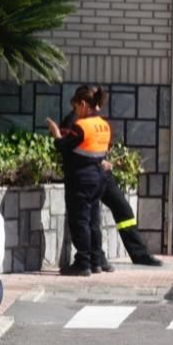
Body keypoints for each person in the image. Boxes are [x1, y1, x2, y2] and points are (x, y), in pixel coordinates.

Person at [58, 109, 163, 269]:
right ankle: (97, 259)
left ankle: (139, 254)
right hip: (91, 175)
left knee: (124, 211)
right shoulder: (74, 122)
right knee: (91, 219)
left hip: (103, 175)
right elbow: (72, 150)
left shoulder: (93, 123)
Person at [46, 85, 111, 276]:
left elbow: (64, 147)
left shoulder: (81, 126)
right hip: (98, 179)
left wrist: (56, 133)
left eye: (76, 107)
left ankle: (83, 263)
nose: (75, 112)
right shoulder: (104, 126)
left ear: (83, 104)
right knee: (93, 221)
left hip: (81, 179)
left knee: (80, 221)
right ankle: (96, 262)